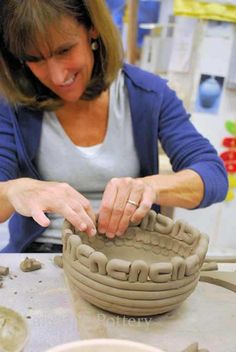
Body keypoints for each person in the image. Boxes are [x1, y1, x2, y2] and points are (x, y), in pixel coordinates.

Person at [0, 0, 228, 253]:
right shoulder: (12, 105)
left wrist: (149, 187)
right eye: (35, 59)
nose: (56, 76)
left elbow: (213, 176)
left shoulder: (148, 94)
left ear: (93, 29)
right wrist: (13, 191)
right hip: (40, 256)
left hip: (130, 257)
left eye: (64, 50)